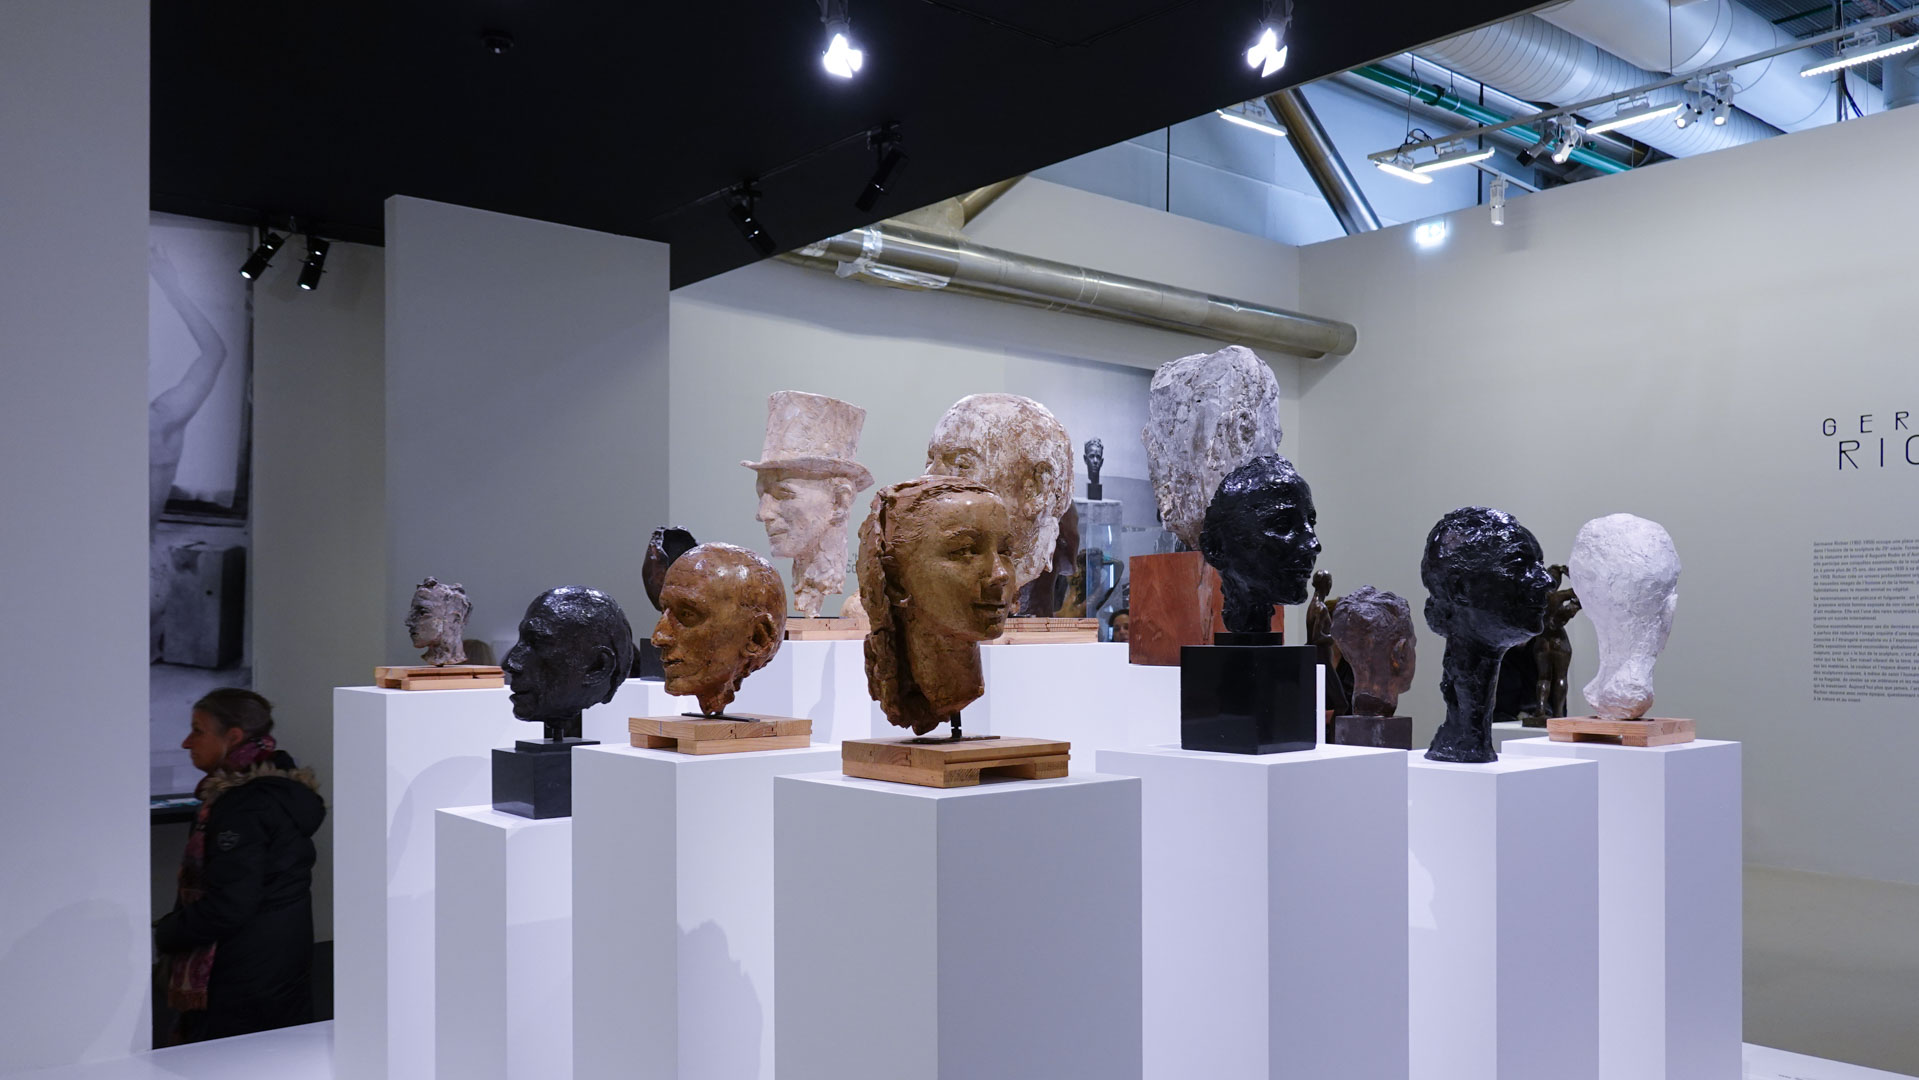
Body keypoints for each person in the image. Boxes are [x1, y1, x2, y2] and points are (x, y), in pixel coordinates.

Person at [155, 689, 325, 1043]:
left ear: (232, 737)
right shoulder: (277, 791)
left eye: (198, 730)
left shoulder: (244, 807)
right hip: (279, 961)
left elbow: (231, 904)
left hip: (242, 973)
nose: (187, 742)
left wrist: (165, 933)